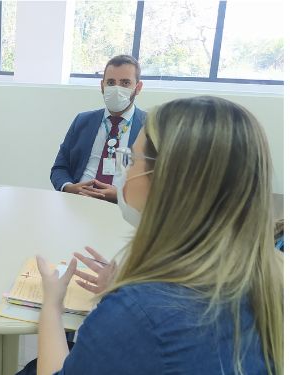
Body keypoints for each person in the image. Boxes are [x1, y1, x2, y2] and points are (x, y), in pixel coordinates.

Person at [34, 96, 283, 374]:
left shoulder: (136, 313)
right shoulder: (271, 272)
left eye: (130, 161)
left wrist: (52, 303)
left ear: (167, 180)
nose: (125, 171)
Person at [50, 55, 145, 203]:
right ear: (102, 86)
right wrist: (69, 187)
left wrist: (122, 195)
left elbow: (163, 183)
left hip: (124, 209)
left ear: (138, 88)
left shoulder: (154, 128)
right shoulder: (82, 121)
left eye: (125, 83)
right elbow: (59, 168)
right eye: (111, 82)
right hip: (78, 202)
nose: (116, 89)